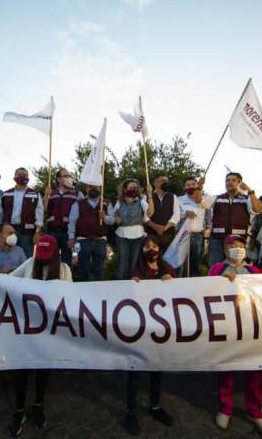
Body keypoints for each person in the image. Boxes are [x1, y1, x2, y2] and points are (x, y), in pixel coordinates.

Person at [6, 234, 72, 436]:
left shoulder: (63, 269)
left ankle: (38, 406)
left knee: (43, 369)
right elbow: (7, 282)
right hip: (25, 327)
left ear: (55, 253)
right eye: (39, 253)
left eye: (46, 254)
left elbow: (68, 296)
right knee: (22, 369)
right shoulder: (29, 263)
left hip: (49, 329)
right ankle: (19, 410)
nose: (42, 258)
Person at [209, 234, 262, 435]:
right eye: (232, 245)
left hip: (251, 326)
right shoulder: (217, 269)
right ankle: (226, 408)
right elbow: (206, 291)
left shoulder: (254, 270)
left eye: (240, 245)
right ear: (225, 249)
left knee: (254, 371)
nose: (237, 249)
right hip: (227, 325)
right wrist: (221, 281)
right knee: (226, 368)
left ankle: (254, 411)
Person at [124, 235, 175, 436]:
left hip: (160, 331)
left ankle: (155, 406)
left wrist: (172, 283)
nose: (150, 249)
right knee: (134, 371)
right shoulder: (137, 271)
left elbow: (181, 296)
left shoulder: (168, 270)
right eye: (146, 246)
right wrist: (132, 284)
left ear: (160, 249)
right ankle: (130, 410)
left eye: (154, 246)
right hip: (139, 330)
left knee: (156, 369)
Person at [207, 172, 262, 266]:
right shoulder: (217, 198)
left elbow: (258, 210)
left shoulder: (246, 199)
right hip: (217, 240)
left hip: (237, 242)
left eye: (233, 180)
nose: (229, 182)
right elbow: (199, 201)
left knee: (236, 268)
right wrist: (199, 187)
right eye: (227, 180)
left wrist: (250, 191)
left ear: (239, 183)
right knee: (216, 267)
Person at [106, 178, 155, 280]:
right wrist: (112, 218)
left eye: (135, 188)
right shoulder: (119, 202)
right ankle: (121, 290)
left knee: (134, 264)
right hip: (122, 235)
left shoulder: (141, 201)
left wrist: (150, 195)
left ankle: (133, 290)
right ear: (124, 189)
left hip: (138, 236)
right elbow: (113, 217)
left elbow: (150, 212)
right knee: (122, 264)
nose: (134, 189)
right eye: (131, 187)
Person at [0, 167, 44, 258]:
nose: (22, 177)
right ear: (14, 178)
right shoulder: (6, 194)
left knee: (26, 257)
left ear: (28, 178)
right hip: (9, 231)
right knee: (8, 255)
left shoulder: (35, 194)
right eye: (19, 175)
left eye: (24, 175)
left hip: (27, 232)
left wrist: (37, 232)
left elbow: (39, 214)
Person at [67, 183, 108, 281]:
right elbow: (72, 221)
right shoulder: (78, 203)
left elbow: (113, 220)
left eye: (95, 186)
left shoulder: (106, 204)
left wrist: (105, 217)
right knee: (83, 270)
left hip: (100, 241)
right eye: (90, 186)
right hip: (83, 241)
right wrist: (71, 237)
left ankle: (99, 294)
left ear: (100, 188)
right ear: (86, 189)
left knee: (100, 271)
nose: (93, 188)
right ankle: (82, 294)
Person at [177, 176, 214, 277]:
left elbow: (208, 217)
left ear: (198, 186)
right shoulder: (178, 199)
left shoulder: (205, 199)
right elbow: (175, 217)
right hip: (182, 235)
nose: (191, 186)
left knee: (195, 264)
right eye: (188, 185)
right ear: (184, 187)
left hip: (198, 236)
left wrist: (207, 232)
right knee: (181, 265)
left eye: (193, 184)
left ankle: (193, 288)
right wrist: (185, 214)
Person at [43, 168, 79, 266]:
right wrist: (46, 196)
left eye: (69, 176)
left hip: (68, 232)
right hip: (52, 230)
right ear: (58, 179)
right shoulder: (52, 193)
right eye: (66, 176)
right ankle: (50, 280)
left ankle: (65, 280)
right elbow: (45, 210)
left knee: (66, 261)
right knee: (50, 259)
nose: (69, 178)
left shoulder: (76, 194)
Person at [145, 174, 181, 253]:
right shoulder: (147, 197)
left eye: (167, 182)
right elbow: (145, 216)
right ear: (155, 183)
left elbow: (177, 214)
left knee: (167, 260)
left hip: (169, 234)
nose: (166, 183)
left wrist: (165, 228)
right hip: (152, 234)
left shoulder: (173, 196)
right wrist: (156, 227)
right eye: (163, 181)